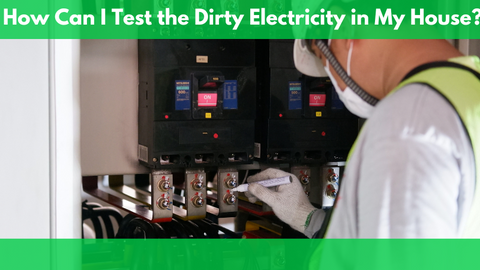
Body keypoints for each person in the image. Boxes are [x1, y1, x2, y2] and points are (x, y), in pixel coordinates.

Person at [246, 38, 480, 238]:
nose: (335, 84)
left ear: (344, 33)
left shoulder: (406, 125)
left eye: (323, 59)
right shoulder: (467, 88)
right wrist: (308, 218)